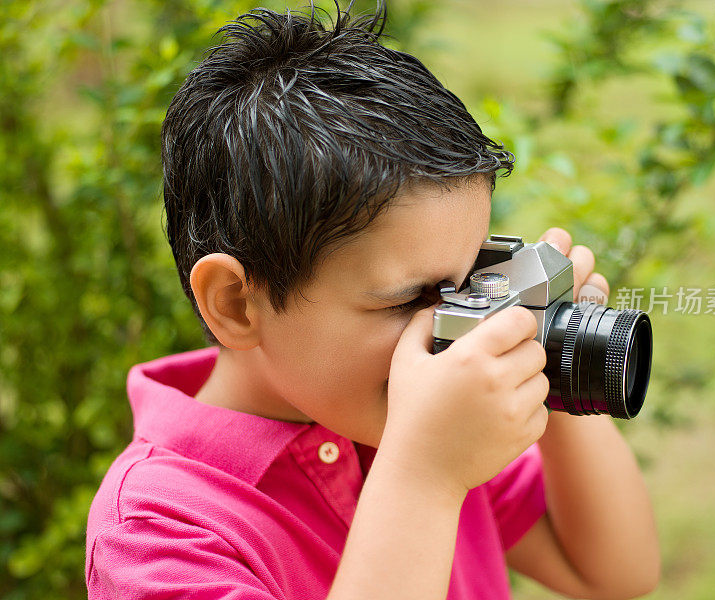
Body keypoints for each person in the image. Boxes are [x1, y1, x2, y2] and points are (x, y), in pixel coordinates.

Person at [85, 2, 660, 598]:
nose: (455, 327)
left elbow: (615, 573)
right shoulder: (156, 535)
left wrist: (545, 344)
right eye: (410, 298)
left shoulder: (417, 410)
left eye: (469, 285)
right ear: (236, 303)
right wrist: (425, 475)